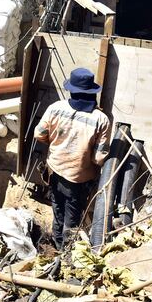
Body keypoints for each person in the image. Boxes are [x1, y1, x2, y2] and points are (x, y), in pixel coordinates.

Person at [33, 67, 110, 249]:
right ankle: (65, 252)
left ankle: (56, 243)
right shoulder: (101, 119)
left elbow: (39, 134)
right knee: (73, 217)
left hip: (55, 168)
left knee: (57, 208)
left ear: (71, 90)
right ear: (92, 92)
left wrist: (57, 143)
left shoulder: (56, 108)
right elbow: (99, 158)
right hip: (79, 177)